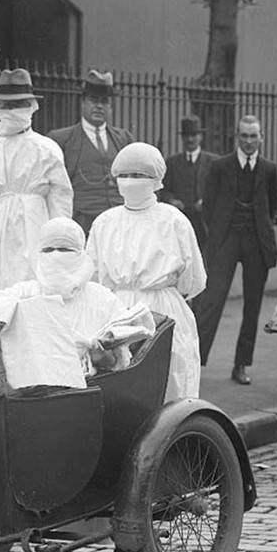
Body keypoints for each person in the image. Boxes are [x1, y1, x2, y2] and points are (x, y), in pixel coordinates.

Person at [0, 217, 150, 389]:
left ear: (80, 254)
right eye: (48, 250)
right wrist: (23, 313)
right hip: (32, 391)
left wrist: (102, 358)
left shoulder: (102, 298)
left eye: (64, 250)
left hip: (89, 390)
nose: (55, 255)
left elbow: (122, 362)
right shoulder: (27, 292)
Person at [86, 143, 206, 402]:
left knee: (171, 374)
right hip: (115, 310)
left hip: (163, 309)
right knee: (117, 376)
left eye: (140, 175)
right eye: (125, 175)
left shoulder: (173, 220)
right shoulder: (104, 222)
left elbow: (192, 277)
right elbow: (91, 275)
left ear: (156, 180)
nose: (131, 182)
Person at [0, 68, 73, 290]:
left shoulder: (47, 149)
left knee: (31, 290)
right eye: (7, 105)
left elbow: (61, 204)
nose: (13, 111)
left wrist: (58, 249)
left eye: (19, 105)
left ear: (31, 106)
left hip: (33, 227)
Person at [193, 115, 277, 386]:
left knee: (252, 307)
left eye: (254, 136)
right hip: (226, 240)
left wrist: (259, 229)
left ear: (261, 137)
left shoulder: (269, 169)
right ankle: (195, 361)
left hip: (256, 241)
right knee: (212, 300)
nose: (249, 141)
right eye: (244, 136)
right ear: (237, 138)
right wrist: (220, 232)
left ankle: (241, 365)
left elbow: (271, 207)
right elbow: (208, 206)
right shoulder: (220, 166)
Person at [48, 69, 136, 234]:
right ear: (82, 102)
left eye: (104, 101)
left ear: (110, 106)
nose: (99, 106)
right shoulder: (62, 140)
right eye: (93, 100)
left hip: (118, 223)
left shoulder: (124, 139)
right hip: (81, 222)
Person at [159, 114, 217, 246]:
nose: (190, 139)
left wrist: (207, 201)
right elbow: (164, 190)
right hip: (180, 220)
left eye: (194, 135)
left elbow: (221, 190)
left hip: (205, 223)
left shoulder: (213, 162)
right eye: (186, 136)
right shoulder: (172, 162)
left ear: (200, 137)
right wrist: (171, 201)